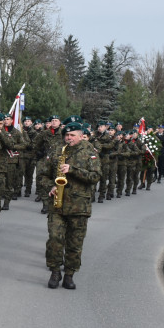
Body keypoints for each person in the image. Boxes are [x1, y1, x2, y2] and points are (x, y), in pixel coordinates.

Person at [45, 119, 101, 290]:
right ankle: (55, 271)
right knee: (55, 239)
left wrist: (73, 170)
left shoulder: (90, 151)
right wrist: (51, 186)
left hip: (79, 206)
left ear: (81, 136)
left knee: (74, 244)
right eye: (66, 135)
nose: (68, 138)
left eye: (72, 135)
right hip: (57, 205)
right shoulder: (57, 151)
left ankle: (69, 274)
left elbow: (95, 176)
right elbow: (42, 175)